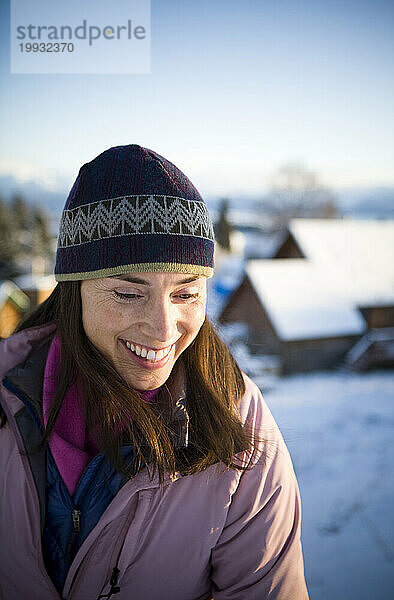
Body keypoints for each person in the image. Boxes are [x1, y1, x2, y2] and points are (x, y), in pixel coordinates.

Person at [0, 145, 309, 600]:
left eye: (186, 294)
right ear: (75, 289)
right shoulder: (7, 404)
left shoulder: (240, 432)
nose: (165, 329)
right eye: (128, 292)